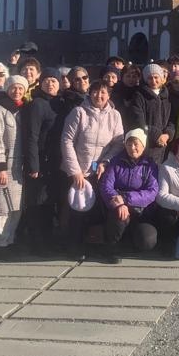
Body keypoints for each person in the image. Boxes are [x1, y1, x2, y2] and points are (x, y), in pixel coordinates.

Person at [60, 80, 125, 258]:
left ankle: (95, 244)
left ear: (109, 95)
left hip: (99, 169)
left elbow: (118, 143)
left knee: (97, 208)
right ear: (90, 93)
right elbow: (67, 141)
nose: (99, 96)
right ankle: (73, 246)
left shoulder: (115, 116)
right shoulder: (79, 112)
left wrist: (105, 162)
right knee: (78, 209)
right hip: (79, 169)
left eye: (103, 92)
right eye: (95, 92)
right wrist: (75, 171)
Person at [98, 129, 159, 263]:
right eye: (129, 144)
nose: (132, 148)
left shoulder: (150, 165)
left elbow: (152, 192)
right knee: (119, 216)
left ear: (143, 146)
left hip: (141, 212)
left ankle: (130, 241)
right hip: (119, 208)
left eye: (136, 144)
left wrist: (126, 198)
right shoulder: (116, 162)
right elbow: (106, 186)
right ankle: (111, 247)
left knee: (147, 240)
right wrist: (120, 203)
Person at [21, 68, 65, 253]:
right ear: (40, 83)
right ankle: (37, 242)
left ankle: (47, 239)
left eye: (54, 80)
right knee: (37, 203)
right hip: (40, 160)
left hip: (54, 161)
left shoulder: (58, 103)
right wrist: (33, 164)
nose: (50, 83)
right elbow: (31, 136)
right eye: (46, 80)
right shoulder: (38, 104)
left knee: (49, 202)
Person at [0, 75, 28, 259]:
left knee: (16, 206)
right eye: (14, 88)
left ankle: (11, 240)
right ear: (8, 88)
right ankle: (0, 243)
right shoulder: (0, 110)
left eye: (21, 88)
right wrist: (0, 166)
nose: (17, 91)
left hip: (20, 165)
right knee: (2, 207)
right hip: (5, 164)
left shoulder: (24, 110)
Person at [130, 63, 174, 164]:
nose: (153, 81)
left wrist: (167, 134)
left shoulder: (167, 96)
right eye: (150, 78)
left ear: (162, 78)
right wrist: (156, 135)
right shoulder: (139, 96)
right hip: (147, 144)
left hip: (165, 145)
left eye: (156, 77)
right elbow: (138, 121)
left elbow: (172, 119)